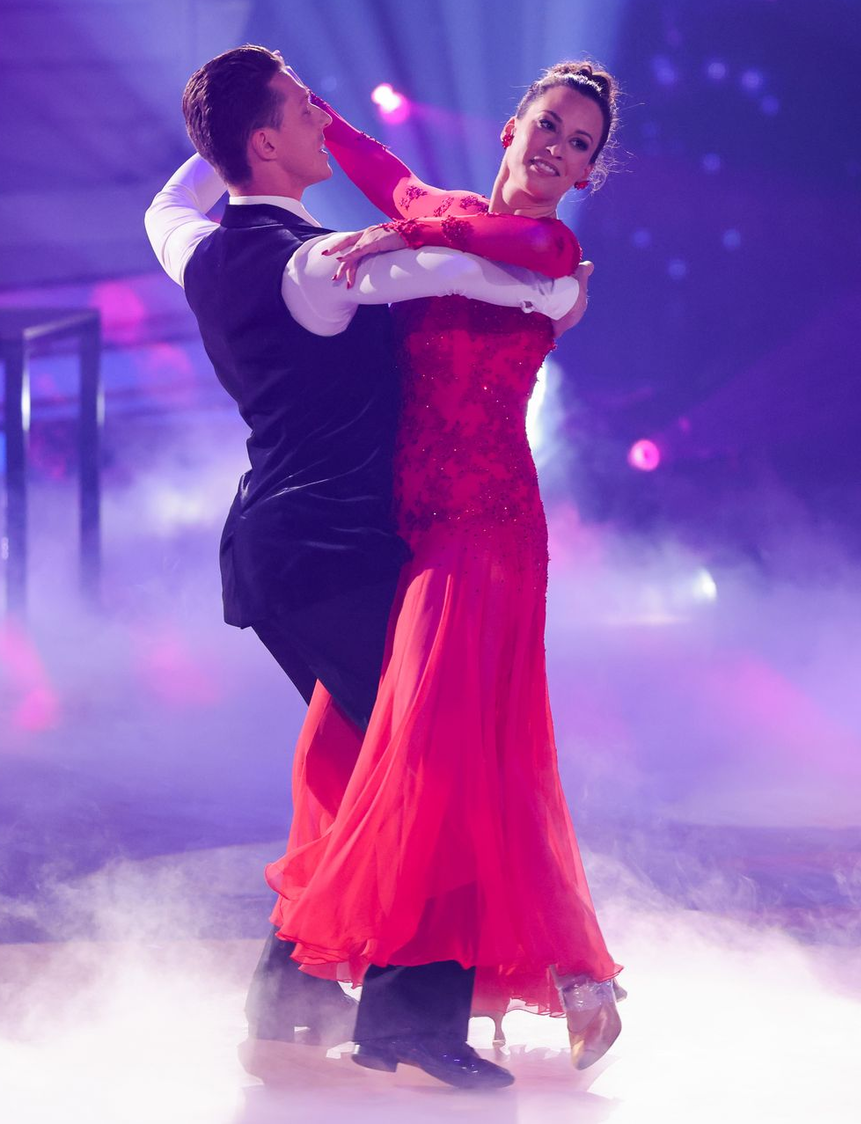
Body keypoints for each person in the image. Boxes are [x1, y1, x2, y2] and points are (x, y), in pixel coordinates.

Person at [143, 45, 586, 1082]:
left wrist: (219, 150)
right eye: (302, 112)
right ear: (267, 144)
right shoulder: (322, 261)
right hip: (335, 554)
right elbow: (462, 267)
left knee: (367, 766)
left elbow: (167, 202)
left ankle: (291, 998)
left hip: (269, 555)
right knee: (439, 757)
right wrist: (556, 295)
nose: (319, 120)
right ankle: (407, 1022)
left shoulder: (197, 249)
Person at [265, 61, 624, 1087]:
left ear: (588, 172)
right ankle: (301, 997)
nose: (558, 147)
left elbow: (470, 233)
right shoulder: (453, 212)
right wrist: (313, 111)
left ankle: (444, 1010)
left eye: (581, 143)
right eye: (549, 125)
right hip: (405, 529)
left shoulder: (551, 247)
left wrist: (411, 234)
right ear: (511, 126)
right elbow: (388, 176)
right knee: (349, 744)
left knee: (449, 755)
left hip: (486, 530)